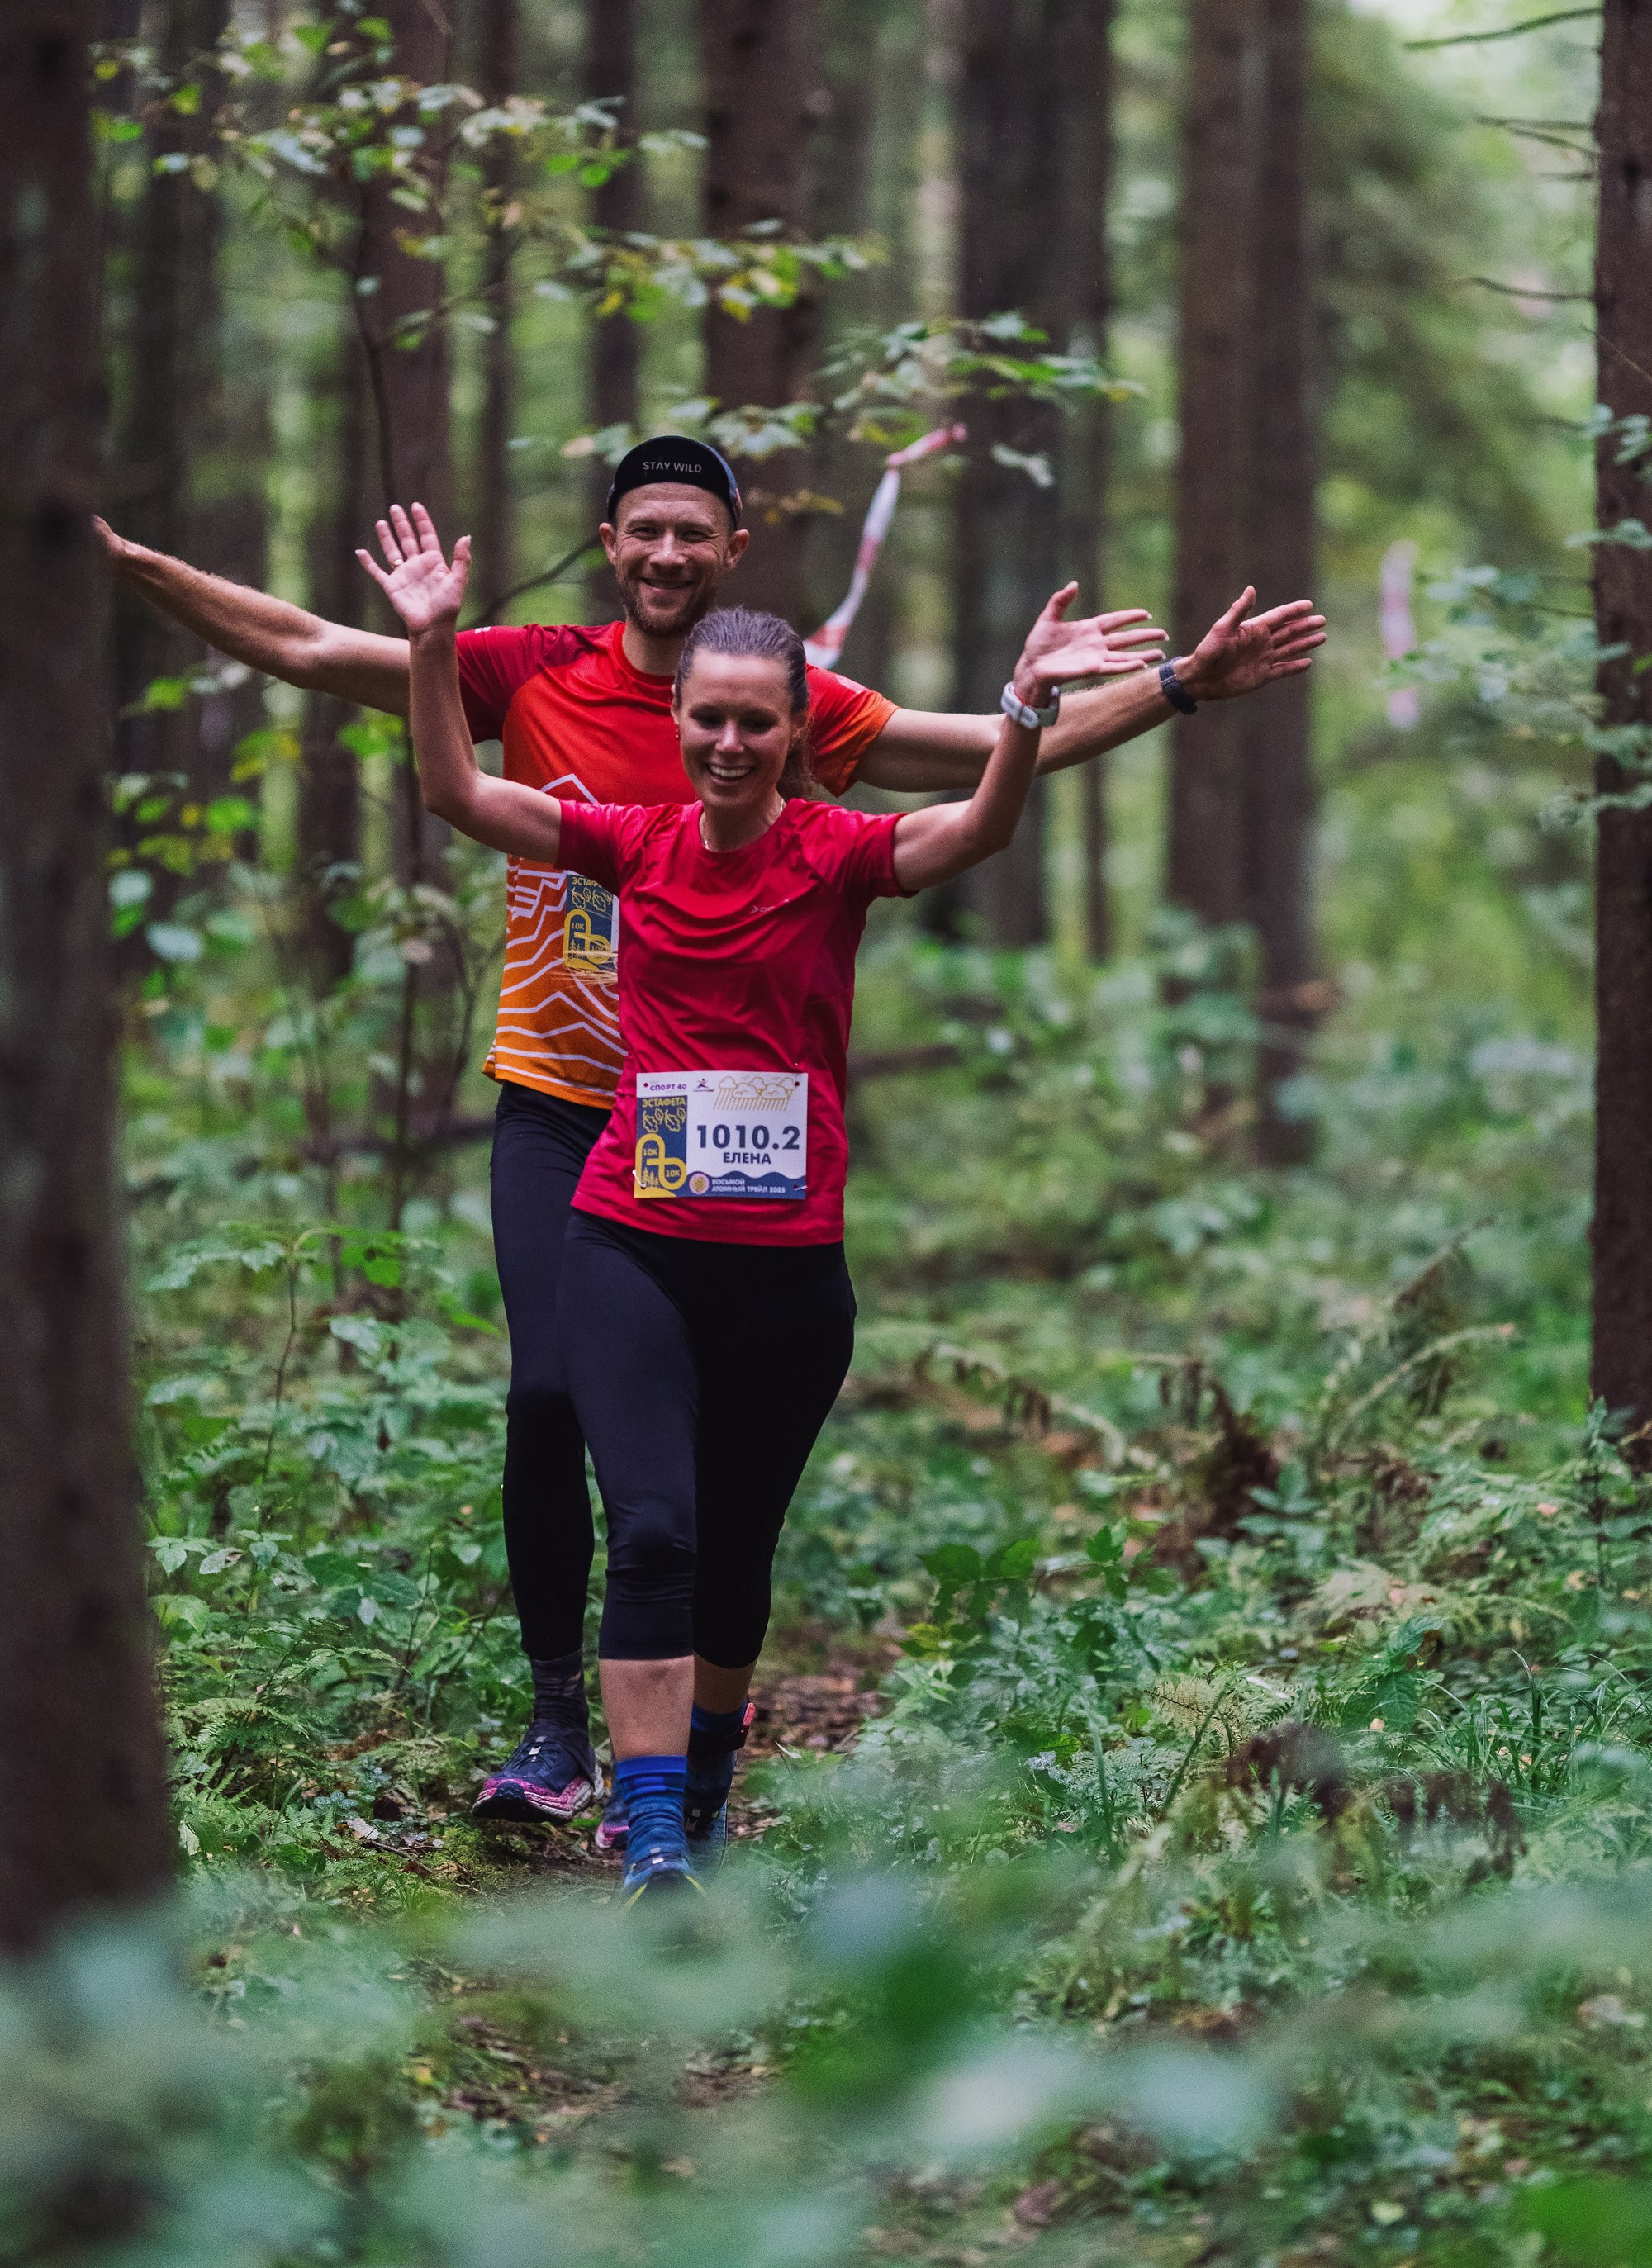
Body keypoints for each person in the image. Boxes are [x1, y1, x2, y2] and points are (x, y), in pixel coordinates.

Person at [96, 439, 1324, 1829]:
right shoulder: (524, 667)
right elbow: (319, 650)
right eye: (645, 532)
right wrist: (125, 560)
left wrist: (1173, 687)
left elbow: (990, 766)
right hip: (566, 1100)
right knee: (550, 1393)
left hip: (725, 1134)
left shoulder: (793, 698)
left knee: (705, 1474)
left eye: (695, 533)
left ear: (732, 552)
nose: (668, 556)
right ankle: (559, 1721)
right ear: (610, 542)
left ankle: (678, 1745)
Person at [401, 545, 1117, 1895]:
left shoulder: (838, 856)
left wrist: (1020, 716)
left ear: (799, 731)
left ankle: (708, 1778)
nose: (727, 742)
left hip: (787, 1278)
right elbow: (453, 788)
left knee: (734, 1560)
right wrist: (437, 643)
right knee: (656, 1532)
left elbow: (978, 831)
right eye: (707, 718)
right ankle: (654, 1829)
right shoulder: (633, 842)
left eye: (755, 721)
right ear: (679, 724)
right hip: (629, 1244)